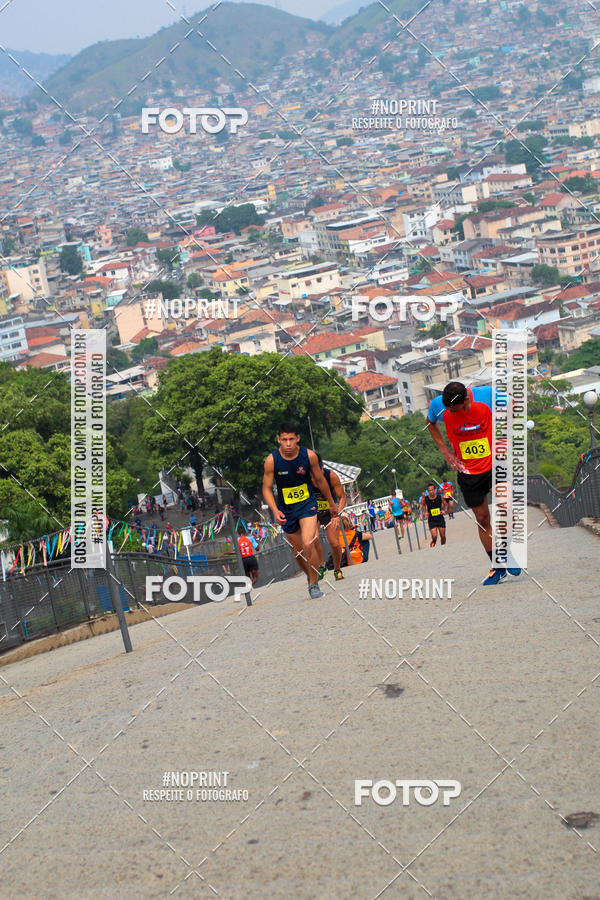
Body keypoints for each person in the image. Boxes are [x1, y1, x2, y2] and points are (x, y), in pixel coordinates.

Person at [427, 380, 521, 585]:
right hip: (468, 472)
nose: (450, 413)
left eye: (454, 410)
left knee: (506, 508)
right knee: (482, 518)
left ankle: (505, 552)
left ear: (466, 400)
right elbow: (430, 422)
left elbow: (513, 403)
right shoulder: (440, 405)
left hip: (494, 464)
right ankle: (498, 568)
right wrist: (445, 451)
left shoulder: (485, 395)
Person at [263, 422, 338, 600]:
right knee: (298, 552)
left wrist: (331, 503)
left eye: (291, 439)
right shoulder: (272, 461)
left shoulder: (309, 456)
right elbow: (266, 488)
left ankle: (313, 585)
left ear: (298, 438)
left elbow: (320, 481)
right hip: (286, 509)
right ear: (278, 440)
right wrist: (274, 510)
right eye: (284, 440)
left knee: (307, 543)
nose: (288, 444)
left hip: (307, 505)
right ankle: (311, 575)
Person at [313, 453, 347, 581]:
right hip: (313, 512)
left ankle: (337, 569)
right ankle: (322, 565)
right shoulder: (305, 477)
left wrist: (337, 513)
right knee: (313, 539)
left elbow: (342, 497)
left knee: (334, 543)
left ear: (322, 467)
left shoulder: (331, 476)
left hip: (330, 512)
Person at [421, 482, 447, 548]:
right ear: (428, 491)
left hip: (440, 518)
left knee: (443, 536)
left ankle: (443, 548)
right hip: (432, 519)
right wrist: (424, 512)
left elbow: (445, 504)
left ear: (435, 490)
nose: (431, 491)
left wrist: (444, 510)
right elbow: (423, 505)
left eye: (432, 490)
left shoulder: (439, 497)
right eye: (429, 490)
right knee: (435, 536)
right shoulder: (426, 499)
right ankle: (432, 546)